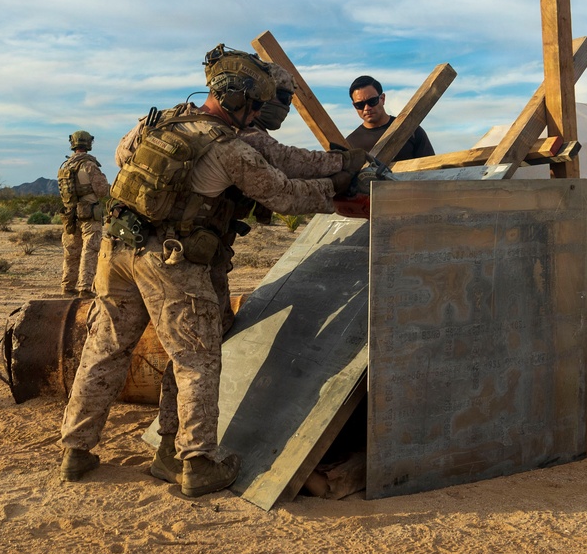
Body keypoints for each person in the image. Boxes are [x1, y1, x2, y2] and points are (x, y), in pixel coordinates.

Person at [58, 45, 359, 497]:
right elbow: (286, 196)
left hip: (115, 248)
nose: (259, 114)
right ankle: (196, 462)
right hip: (173, 260)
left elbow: (123, 159)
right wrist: (337, 183)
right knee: (196, 359)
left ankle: (76, 451)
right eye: (256, 105)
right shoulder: (229, 147)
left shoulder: (156, 121)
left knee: (105, 348)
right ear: (240, 100)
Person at [211, 62, 366, 333]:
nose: (282, 107)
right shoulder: (238, 136)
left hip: (131, 245)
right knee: (203, 342)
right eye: (280, 98)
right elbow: (286, 181)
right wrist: (338, 172)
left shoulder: (187, 123)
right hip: (185, 256)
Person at [57, 130, 109, 298]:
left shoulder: (65, 166)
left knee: (71, 252)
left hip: (70, 215)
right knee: (90, 250)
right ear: (88, 143)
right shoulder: (89, 165)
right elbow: (102, 191)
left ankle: (67, 286)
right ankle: (85, 288)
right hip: (89, 214)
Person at [345, 75, 435, 161]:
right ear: (354, 105)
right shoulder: (350, 144)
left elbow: (433, 169)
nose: (367, 108)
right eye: (360, 105)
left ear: (382, 99)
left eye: (372, 101)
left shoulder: (410, 129)